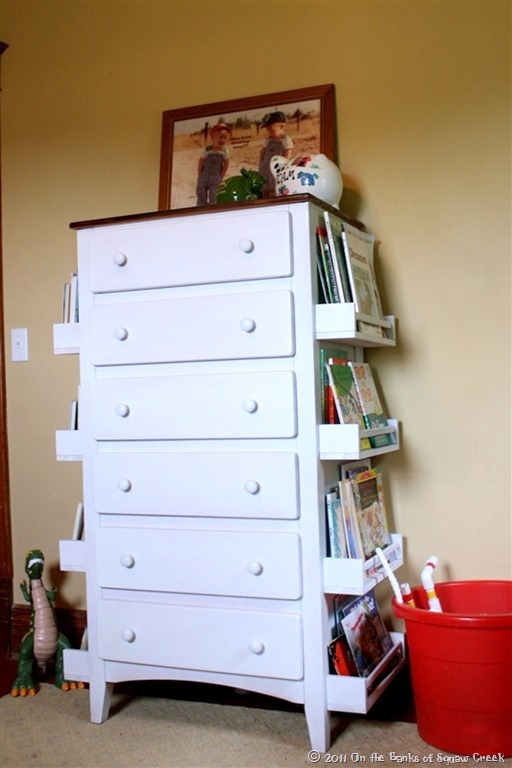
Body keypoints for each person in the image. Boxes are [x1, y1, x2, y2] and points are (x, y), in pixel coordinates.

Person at [258, 111, 293, 196]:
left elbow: (287, 154)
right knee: (263, 186)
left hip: (276, 169)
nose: (270, 133)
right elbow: (262, 152)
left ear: (281, 126)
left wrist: (283, 167)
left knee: (274, 187)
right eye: (268, 131)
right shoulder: (268, 139)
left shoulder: (286, 140)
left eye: (272, 130)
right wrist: (260, 164)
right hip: (265, 167)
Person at [196, 123, 231, 205]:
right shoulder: (207, 150)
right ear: (213, 138)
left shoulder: (225, 151)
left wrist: (221, 176)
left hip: (216, 177)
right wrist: (200, 175)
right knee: (201, 192)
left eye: (224, 138)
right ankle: (201, 208)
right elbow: (201, 162)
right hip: (204, 175)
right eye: (220, 137)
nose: (222, 140)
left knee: (214, 195)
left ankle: (213, 209)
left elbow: (226, 164)